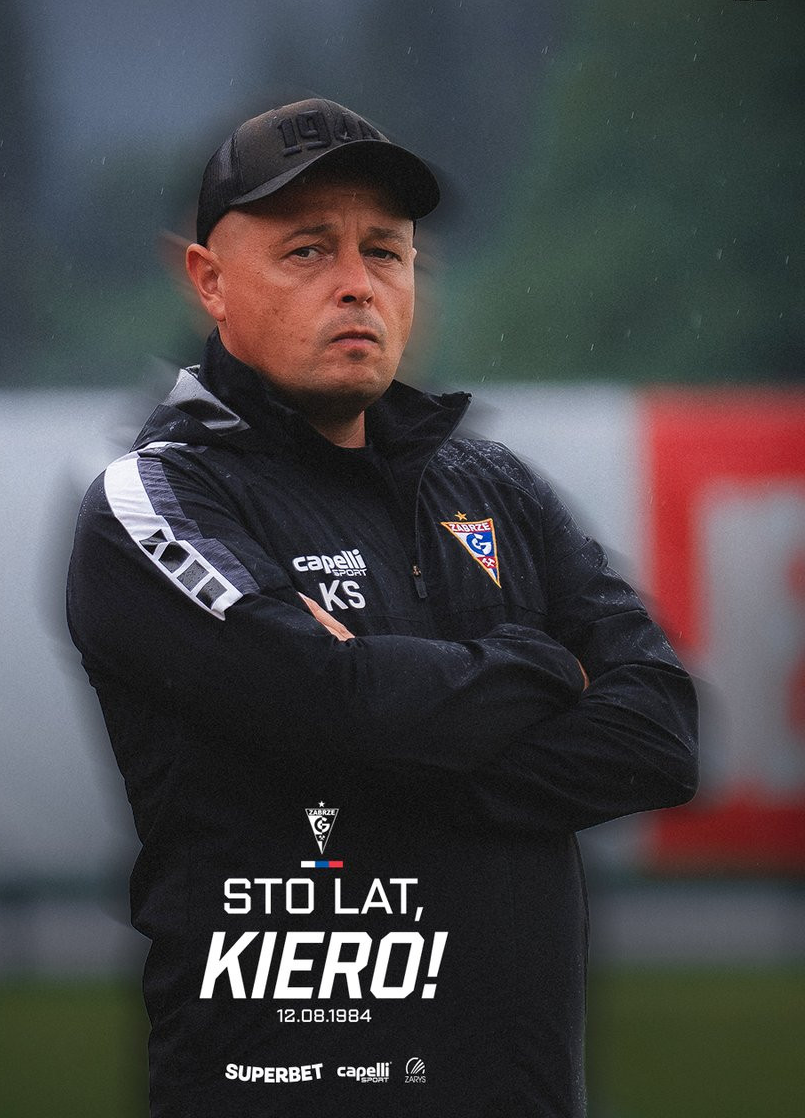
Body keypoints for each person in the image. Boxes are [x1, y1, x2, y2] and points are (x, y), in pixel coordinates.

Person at [66, 97, 698, 1117]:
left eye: (386, 252)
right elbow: (337, 703)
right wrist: (545, 666)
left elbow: (661, 734)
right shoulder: (157, 500)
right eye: (308, 250)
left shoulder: (497, 487)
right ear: (209, 281)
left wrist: (392, 751)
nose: (358, 283)